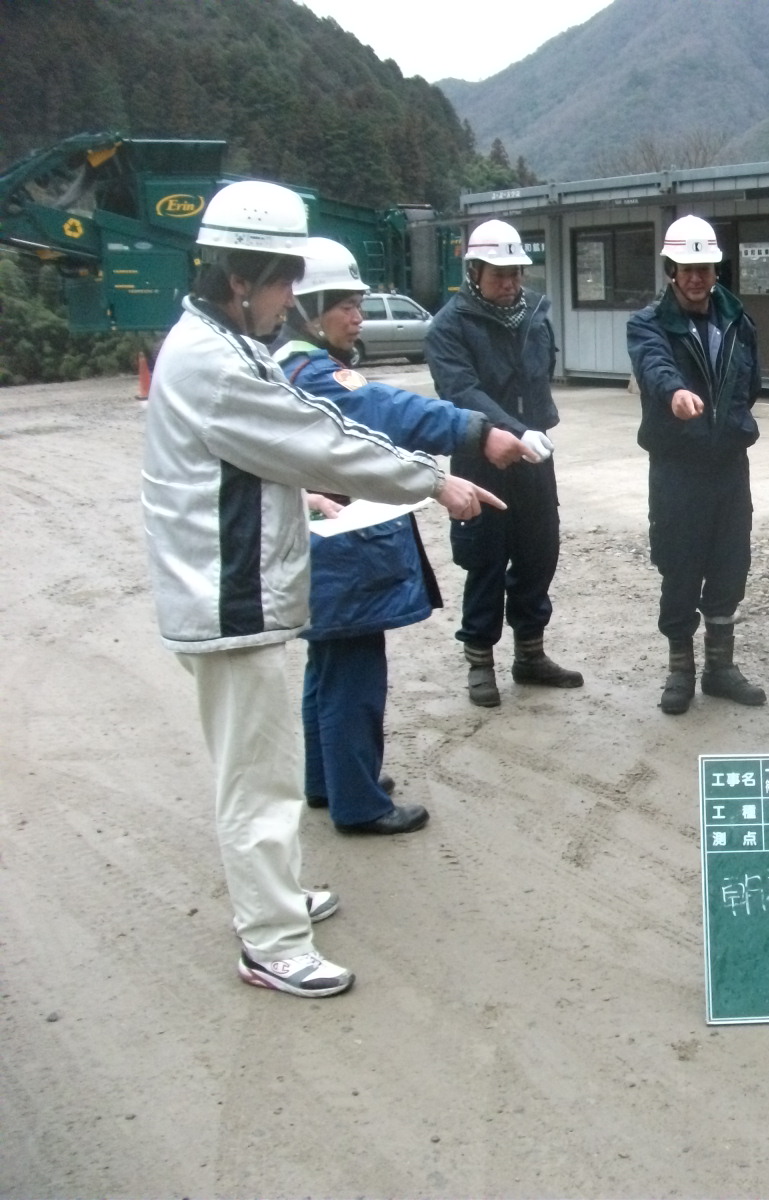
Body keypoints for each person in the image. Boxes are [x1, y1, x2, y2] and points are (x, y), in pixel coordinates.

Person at [141, 181, 502, 997]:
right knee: (257, 782)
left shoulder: (215, 345)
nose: (291, 303)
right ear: (243, 278)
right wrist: (434, 483)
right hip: (228, 605)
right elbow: (319, 439)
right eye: (285, 284)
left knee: (264, 767)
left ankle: (273, 897)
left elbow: (279, 450)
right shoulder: (217, 363)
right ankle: (272, 941)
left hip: (234, 596)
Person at [275, 238, 534, 834]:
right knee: (354, 668)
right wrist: (474, 429)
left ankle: (331, 779)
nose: (358, 316)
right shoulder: (317, 373)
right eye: (346, 305)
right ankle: (360, 803)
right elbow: (390, 412)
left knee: (329, 661)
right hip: (341, 544)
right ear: (310, 307)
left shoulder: (283, 363)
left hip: (316, 538)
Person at [426, 219, 582, 707]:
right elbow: (461, 390)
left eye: (516, 273)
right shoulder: (449, 326)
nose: (511, 283)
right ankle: (479, 660)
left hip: (534, 455)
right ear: (473, 271)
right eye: (499, 274)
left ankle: (530, 654)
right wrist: (512, 428)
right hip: (479, 458)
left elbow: (540, 377)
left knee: (540, 551)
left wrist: (532, 429)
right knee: (486, 558)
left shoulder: (534, 315)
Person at [626, 215, 766, 714]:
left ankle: (721, 668)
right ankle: (680, 670)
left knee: (730, 564)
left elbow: (749, 387)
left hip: (729, 464)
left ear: (716, 270)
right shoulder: (647, 323)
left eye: (704, 267)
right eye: (686, 268)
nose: (695, 277)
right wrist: (676, 393)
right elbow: (654, 366)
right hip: (677, 466)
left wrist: (724, 423)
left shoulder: (738, 319)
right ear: (670, 270)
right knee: (680, 565)